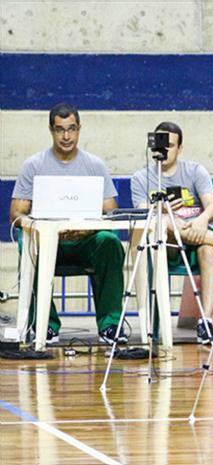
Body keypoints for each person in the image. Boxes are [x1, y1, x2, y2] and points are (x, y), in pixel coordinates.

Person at [9, 102, 127, 345]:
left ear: (79, 129)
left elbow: (111, 211)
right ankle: (44, 325)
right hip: (48, 241)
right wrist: (44, 229)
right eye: (60, 129)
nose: (66, 136)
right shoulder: (34, 165)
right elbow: (17, 214)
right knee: (27, 245)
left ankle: (110, 325)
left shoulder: (94, 165)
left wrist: (88, 228)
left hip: (86, 241)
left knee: (110, 242)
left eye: (71, 129)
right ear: (51, 130)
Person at [130, 121, 213, 344]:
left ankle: (205, 323)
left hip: (200, 237)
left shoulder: (195, 171)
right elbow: (143, 214)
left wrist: (201, 220)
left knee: (208, 251)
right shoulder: (141, 178)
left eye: (169, 145)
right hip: (166, 244)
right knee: (166, 220)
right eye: (160, 144)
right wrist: (163, 210)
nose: (164, 150)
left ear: (180, 148)